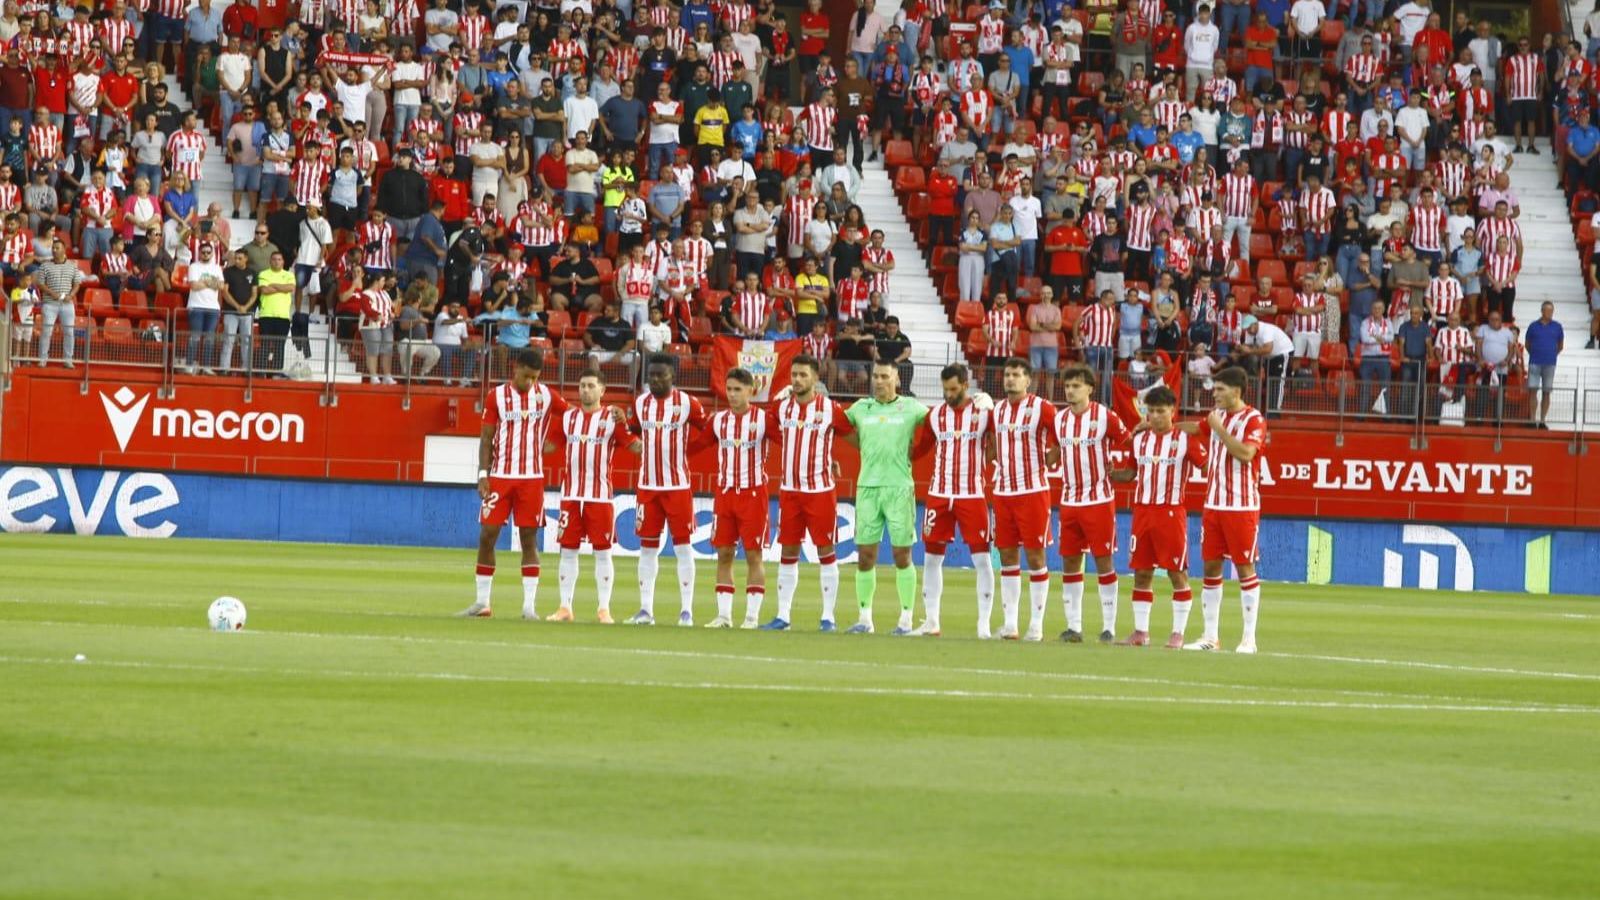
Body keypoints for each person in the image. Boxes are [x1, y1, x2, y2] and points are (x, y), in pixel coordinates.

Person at [459, 350, 568, 619]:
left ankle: (529, 607)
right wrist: (482, 474)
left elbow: (574, 419)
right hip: (500, 477)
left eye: (535, 377)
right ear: (515, 368)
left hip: (532, 479)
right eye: (526, 376)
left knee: (529, 539)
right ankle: (482, 603)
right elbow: (486, 437)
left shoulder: (546, 396)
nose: (530, 382)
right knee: (487, 535)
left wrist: (558, 441)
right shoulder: (496, 396)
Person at [1172, 366, 1267, 653]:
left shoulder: (1254, 420)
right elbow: (1197, 428)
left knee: (1244, 568)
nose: (1215, 394)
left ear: (1236, 391)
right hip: (1213, 504)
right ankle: (1210, 636)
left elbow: (1245, 454)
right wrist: (1164, 427)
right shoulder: (1218, 417)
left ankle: (1249, 639)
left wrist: (1218, 429)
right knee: (1211, 566)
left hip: (1241, 506)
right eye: (1214, 389)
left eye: (1220, 389)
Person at [759, 355, 855, 631]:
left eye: (803, 375)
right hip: (790, 491)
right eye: (794, 375)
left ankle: (828, 617)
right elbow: (776, 434)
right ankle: (783, 616)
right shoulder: (781, 409)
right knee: (787, 551)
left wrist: (831, 458)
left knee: (826, 551)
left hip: (820, 491)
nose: (798, 380)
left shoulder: (830, 409)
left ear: (815, 378)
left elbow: (852, 436)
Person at [1109, 385, 1208, 648]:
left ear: (1172, 412)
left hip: (1171, 513)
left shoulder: (1186, 440)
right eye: (1150, 411)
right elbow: (1129, 474)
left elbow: (1208, 466)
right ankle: (1140, 632)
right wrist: (1107, 472)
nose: (1155, 416)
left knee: (1177, 573)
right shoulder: (1140, 439)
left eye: (1161, 411)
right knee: (1142, 573)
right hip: (1142, 513)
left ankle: (1178, 633)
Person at [543, 369, 638, 624]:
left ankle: (604, 609)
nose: (585, 390)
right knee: (568, 550)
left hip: (600, 496)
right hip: (571, 495)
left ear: (602, 390)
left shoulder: (612, 418)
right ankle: (565, 607)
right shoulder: (568, 418)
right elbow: (549, 446)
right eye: (582, 385)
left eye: (591, 386)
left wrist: (649, 433)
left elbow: (633, 445)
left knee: (603, 552)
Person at [841, 360, 929, 636]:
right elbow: (834, 424)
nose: (878, 381)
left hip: (900, 489)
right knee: (865, 556)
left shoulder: (912, 408)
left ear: (897, 379)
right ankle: (865, 618)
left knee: (902, 555)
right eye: (875, 376)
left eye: (884, 376)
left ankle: (906, 619)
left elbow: (942, 421)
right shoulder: (860, 408)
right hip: (868, 489)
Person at [623, 356, 709, 626]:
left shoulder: (687, 403)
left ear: (674, 376)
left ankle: (686, 611)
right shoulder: (640, 403)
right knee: (647, 549)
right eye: (652, 375)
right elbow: (630, 430)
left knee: (683, 547)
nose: (656, 380)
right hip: (647, 487)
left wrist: (687, 451)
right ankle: (645, 610)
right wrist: (630, 439)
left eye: (662, 375)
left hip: (677, 486)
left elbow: (707, 431)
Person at [1053, 363, 1131, 643]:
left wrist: (1125, 472)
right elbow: (1053, 450)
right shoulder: (1059, 419)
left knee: (1103, 561)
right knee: (1071, 562)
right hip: (1069, 500)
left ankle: (1108, 626)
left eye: (1076, 386)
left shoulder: (1105, 417)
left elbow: (1130, 442)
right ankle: (1074, 626)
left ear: (1089, 388)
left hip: (1098, 500)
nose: (1071, 391)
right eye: (1068, 386)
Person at [987, 357, 1059, 641]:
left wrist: (1047, 461)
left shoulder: (1041, 407)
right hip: (1003, 492)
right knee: (1006, 556)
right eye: (1007, 374)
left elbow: (1062, 437)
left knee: (1035, 555)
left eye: (1016, 375)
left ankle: (1037, 625)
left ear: (1028, 380)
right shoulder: (998, 410)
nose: (1010, 379)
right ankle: (1010, 624)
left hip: (1033, 492)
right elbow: (992, 444)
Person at [705, 367, 781, 629]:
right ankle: (724, 616)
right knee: (724, 553)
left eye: (738, 390)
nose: (733, 395)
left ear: (751, 390)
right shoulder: (718, 421)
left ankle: (751, 616)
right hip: (725, 495)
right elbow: (697, 444)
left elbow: (791, 440)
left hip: (753, 495)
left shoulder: (764, 420)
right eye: (729, 389)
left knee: (753, 555)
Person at [33, 239, 84, 368]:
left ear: (64, 249)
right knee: (46, 331)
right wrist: (51, 293)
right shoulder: (45, 266)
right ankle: (43, 359)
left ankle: (68, 359)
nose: (54, 250)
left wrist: (71, 295)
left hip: (67, 304)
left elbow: (77, 283)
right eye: (53, 248)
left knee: (69, 332)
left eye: (57, 248)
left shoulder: (72, 265)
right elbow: (40, 284)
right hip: (49, 304)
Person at [1523, 301, 1564, 428]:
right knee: (1533, 391)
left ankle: (1542, 420)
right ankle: (1531, 420)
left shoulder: (1557, 326)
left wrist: (1551, 354)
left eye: (1551, 311)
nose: (1550, 313)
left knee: (1546, 392)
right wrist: (1535, 353)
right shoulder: (1533, 326)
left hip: (1550, 363)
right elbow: (1527, 344)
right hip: (1535, 362)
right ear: (1542, 311)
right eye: (1547, 311)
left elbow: (1560, 345)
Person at [219, 248, 258, 373]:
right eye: (235, 258)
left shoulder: (252, 273)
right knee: (228, 340)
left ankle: (247, 369)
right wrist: (237, 306)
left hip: (247, 313)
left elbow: (254, 294)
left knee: (247, 341)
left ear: (246, 258)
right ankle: (224, 369)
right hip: (230, 311)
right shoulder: (228, 272)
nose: (237, 260)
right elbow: (224, 292)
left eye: (240, 258)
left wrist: (245, 307)